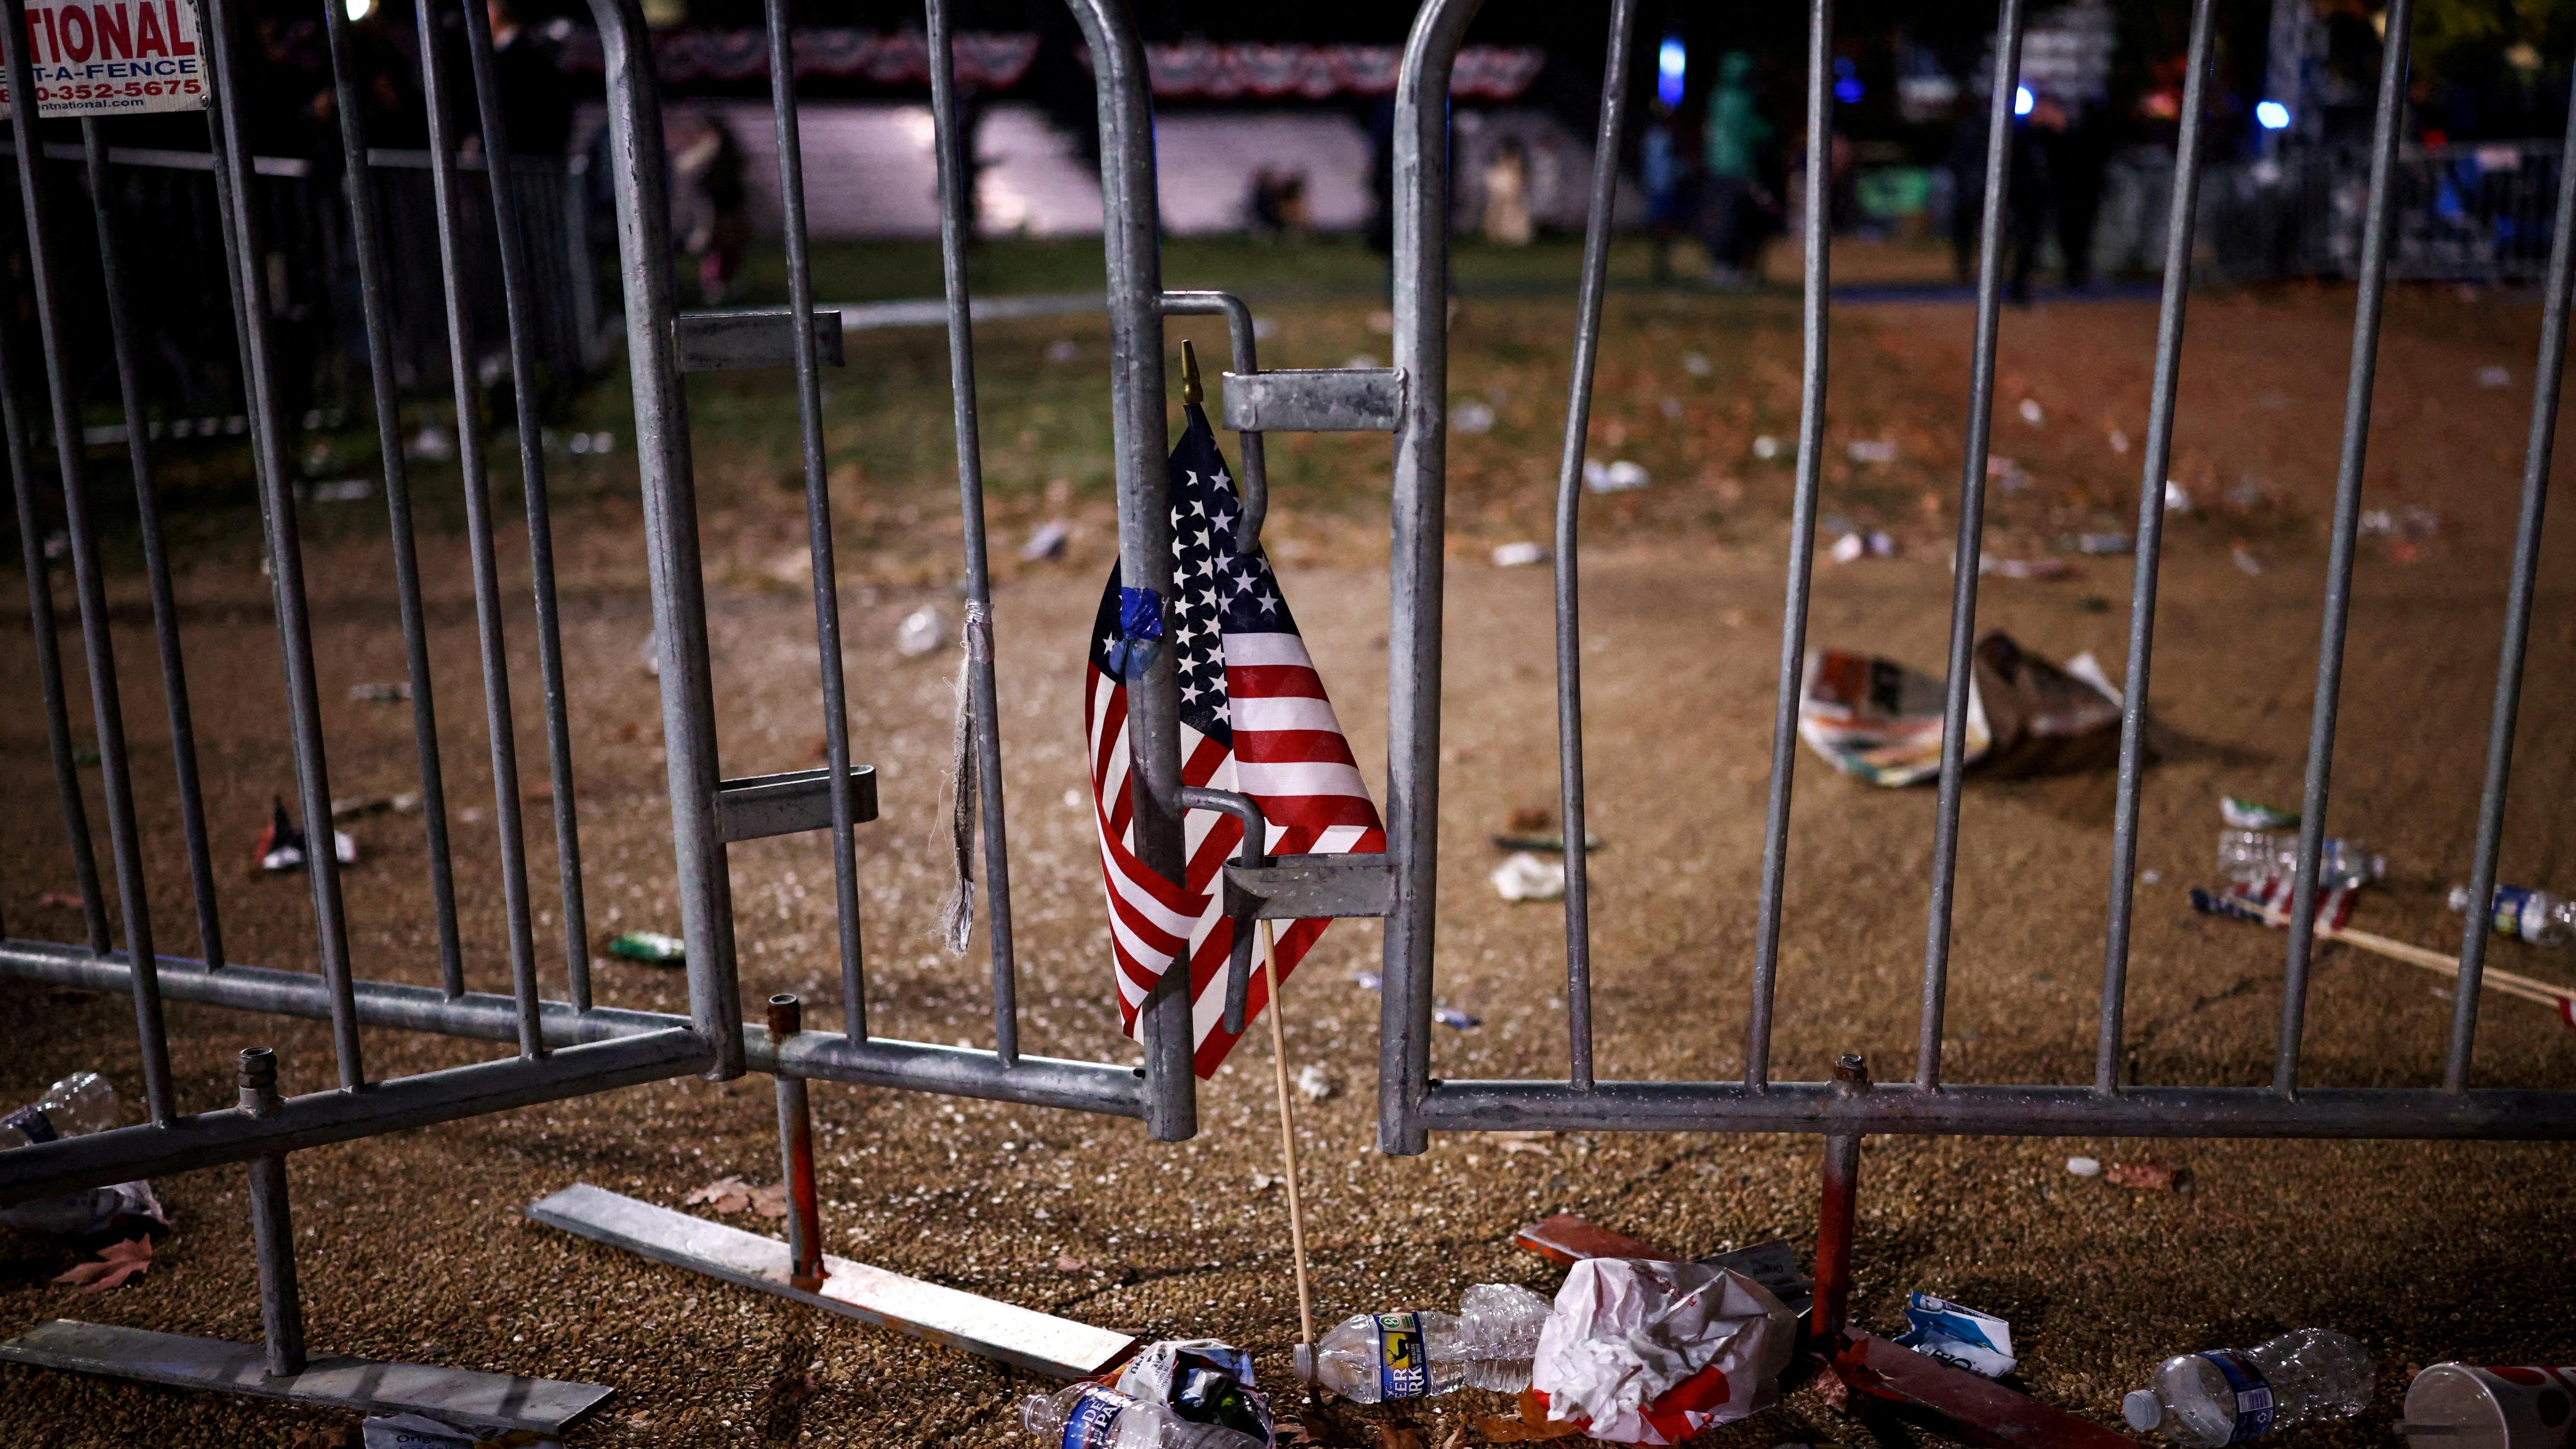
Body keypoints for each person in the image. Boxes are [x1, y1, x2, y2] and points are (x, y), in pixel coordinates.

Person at [1700, 50, 1772, 284]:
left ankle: (1724, 266)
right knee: (1737, 219)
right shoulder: (1743, 100)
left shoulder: (1718, 97)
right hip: (1738, 170)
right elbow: (1751, 134)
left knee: (1723, 218)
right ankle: (1730, 268)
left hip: (1716, 169)